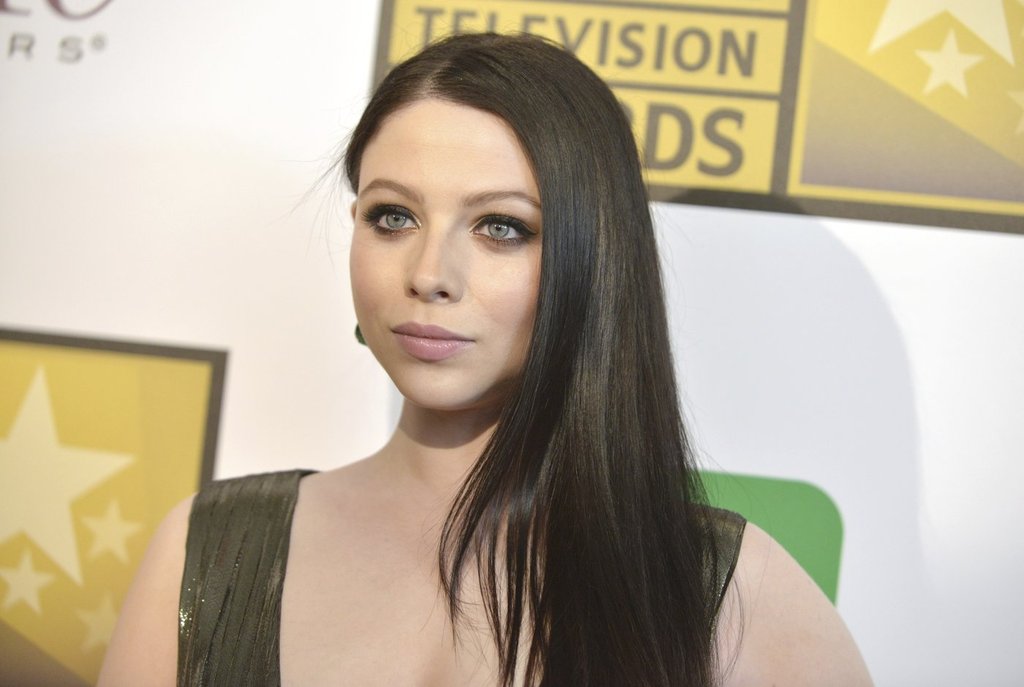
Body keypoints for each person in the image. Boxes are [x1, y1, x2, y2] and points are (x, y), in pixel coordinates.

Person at [99, 32, 872, 686]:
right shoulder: (208, 554)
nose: (429, 273)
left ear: (594, 259)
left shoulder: (730, 589)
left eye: (501, 226)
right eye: (393, 216)